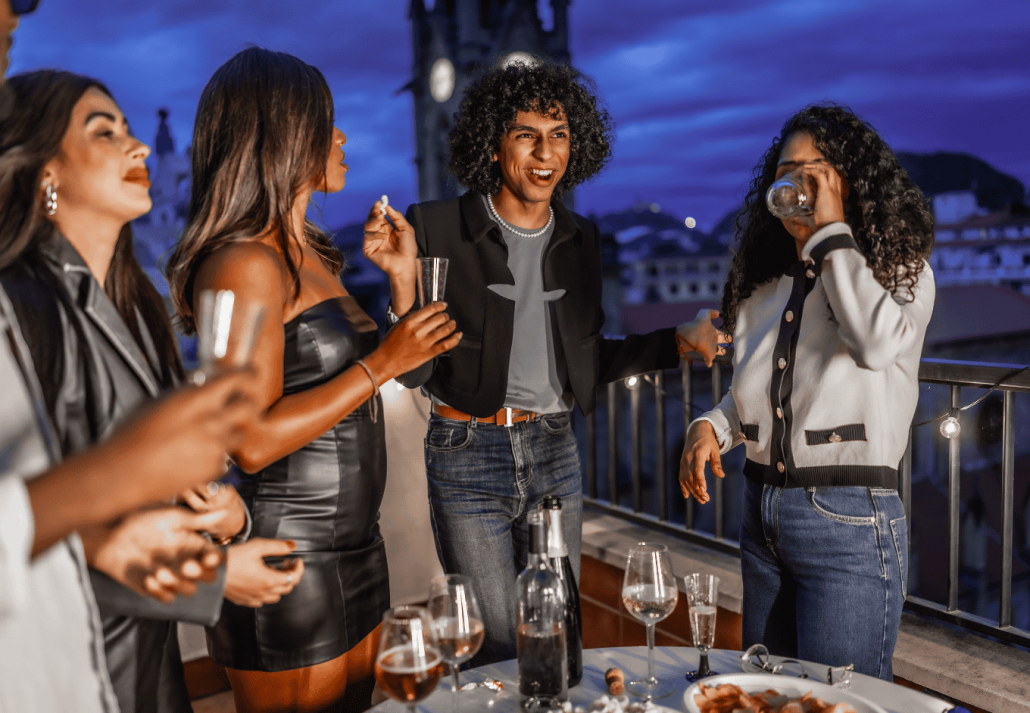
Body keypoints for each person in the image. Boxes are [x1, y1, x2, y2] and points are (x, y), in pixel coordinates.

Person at [362, 59, 724, 666]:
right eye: (526, 133)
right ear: (494, 142)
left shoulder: (581, 238)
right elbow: (412, 372)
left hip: (555, 452)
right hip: (465, 453)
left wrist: (678, 340)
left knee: (557, 634)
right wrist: (402, 279)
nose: (544, 152)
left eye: (558, 134)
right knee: (500, 645)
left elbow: (583, 360)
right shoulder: (437, 227)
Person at [0, 69, 303, 713]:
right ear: (44, 172)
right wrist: (215, 581)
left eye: (132, 131)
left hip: (150, 657)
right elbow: (25, 534)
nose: (137, 147)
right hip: (70, 667)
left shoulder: (139, 305)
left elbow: (154, 473)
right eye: (104, 132)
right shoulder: (20, 310)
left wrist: (224, 513)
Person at [166, 47, 459, 713]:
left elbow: (407, 370)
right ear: (285, 134)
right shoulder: (242, 261)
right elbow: (249, 441)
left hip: (359, 550)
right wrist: (377, 361)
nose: (343, 137)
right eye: (328, 122)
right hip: (287, 558)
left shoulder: (316, 256)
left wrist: (402, 279)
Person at [679, 104, 935, 680]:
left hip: (849, 522)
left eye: (817, 171)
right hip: (760, 510)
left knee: (841, 701)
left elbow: (873, 345)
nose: (798, 184)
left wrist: (831, 232)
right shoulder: (764, 284)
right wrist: (713, 427)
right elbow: (763, 395)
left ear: (849, 182)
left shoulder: (900, 269)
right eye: (789, 170)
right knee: (765, 692)